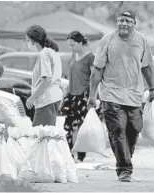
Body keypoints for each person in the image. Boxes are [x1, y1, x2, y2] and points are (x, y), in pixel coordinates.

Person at [87, 10, 154, 182]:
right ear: (116, 22)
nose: (123, 24)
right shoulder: (107, 40)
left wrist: (153, 87)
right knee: (117, 130)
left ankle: (124, 158)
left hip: (134, 94)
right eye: (120, 20)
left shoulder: (141, 41)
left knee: (134, 130)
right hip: (110, 94)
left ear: (134, 23)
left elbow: (147, 67)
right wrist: (92, 95)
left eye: (127, 21)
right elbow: (97, 70)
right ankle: (124, 169)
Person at [60, 31, 95, 162]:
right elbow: (71, 76)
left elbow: (94, 78)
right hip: (71, 95)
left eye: (73, 45)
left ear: (81, 43)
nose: (71, 48)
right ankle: (69, 154)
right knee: (68, 126)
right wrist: (65, 93)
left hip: (83, 96)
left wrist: (93, 96)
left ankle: (81, 156)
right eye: (69, 46)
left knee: (81, 127)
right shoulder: (73, 56)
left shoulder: (90, 57)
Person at [25, 25, 63, 127]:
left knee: (40, 136)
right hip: (52, 98)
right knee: (47, 137)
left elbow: (47, 79)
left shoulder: (44, 54)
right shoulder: (52, 52)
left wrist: (31, 98)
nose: (28, 43)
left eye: (28, 40)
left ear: (33, 40)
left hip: (46, 100)